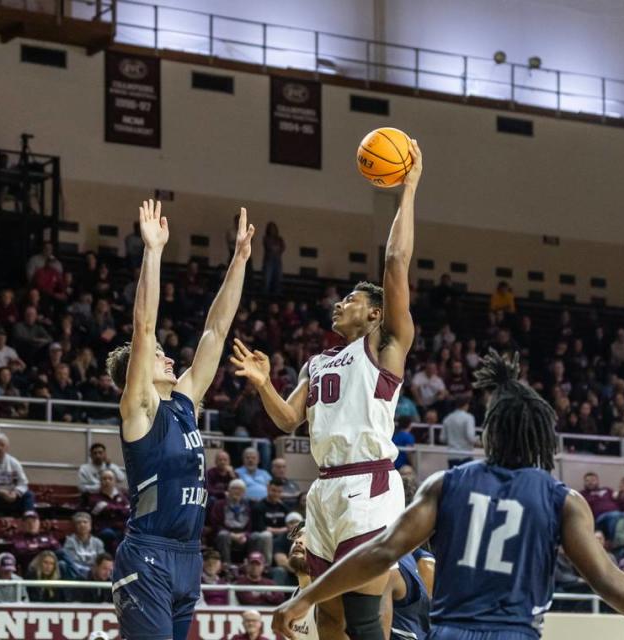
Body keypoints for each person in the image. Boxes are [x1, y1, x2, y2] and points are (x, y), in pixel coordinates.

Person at [271, 350, 624, 640]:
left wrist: (305, 597)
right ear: (540, 438)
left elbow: (380, 552)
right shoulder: (562, 499)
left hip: (450, 632)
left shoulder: (445, 485)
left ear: (489, 431)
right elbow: (609, 581)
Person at [234, 141, 423, 640]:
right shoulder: (317, 362)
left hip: (370, 485)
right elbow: (287, 420)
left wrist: (408, 191)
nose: (339, 305)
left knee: (363, 616)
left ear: (376, 314)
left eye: (351, 300)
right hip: (324, 489)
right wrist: (261, 385)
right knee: (329, 618)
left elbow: (397, 261)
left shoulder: (385, 347)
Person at [104, 199, 254, 640]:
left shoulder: (184, 401)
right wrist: (153, 253)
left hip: (188, 555)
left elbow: (215, 331)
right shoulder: (140, 408)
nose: (168, 357)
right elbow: (143, 327)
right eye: (156, 356)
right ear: (135, 371)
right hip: (148, 555)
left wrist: (239, 262)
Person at [64, 512, 106, 577]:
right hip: (77, 574)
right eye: (79, 522)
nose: (82, 525)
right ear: (75, 526)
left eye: (85, 522)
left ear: (90, 525)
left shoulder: (98, 542)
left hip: (94, 575)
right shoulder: (70, 542)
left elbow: (101, 562)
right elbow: (71, 563)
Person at [443, 395, 476, 467]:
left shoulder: (448, 418)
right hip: (465, 455)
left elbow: (443, 438)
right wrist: (478, 441)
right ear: (466, 405)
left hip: (452, 456)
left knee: (454, 478)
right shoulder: (468, 418)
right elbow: (470, 437)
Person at [262, 222, 286, 295]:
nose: (272, 230)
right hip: (268, 261)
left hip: (277, 261)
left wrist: (275, 248)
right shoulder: (266, 238)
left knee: (278, 279)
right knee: (267, 279)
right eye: (271, 228)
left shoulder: (279, 239)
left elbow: (283, 247)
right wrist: (276, 248)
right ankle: (265, 295)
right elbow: (269, 247)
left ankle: (277, 295)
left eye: (273, 228)